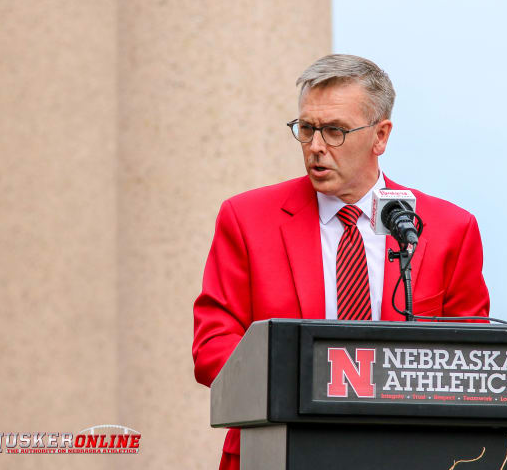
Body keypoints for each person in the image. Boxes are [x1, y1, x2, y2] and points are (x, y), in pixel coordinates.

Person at [192, 54, 490, 470]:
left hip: (409, 455)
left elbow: (472, 360)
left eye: (334, 131)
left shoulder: (448, 229)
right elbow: (212, 347)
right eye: (307, 129)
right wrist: (314, 386)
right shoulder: (246, 219)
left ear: (380, 136)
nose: (316, 146)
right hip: (276, 451)